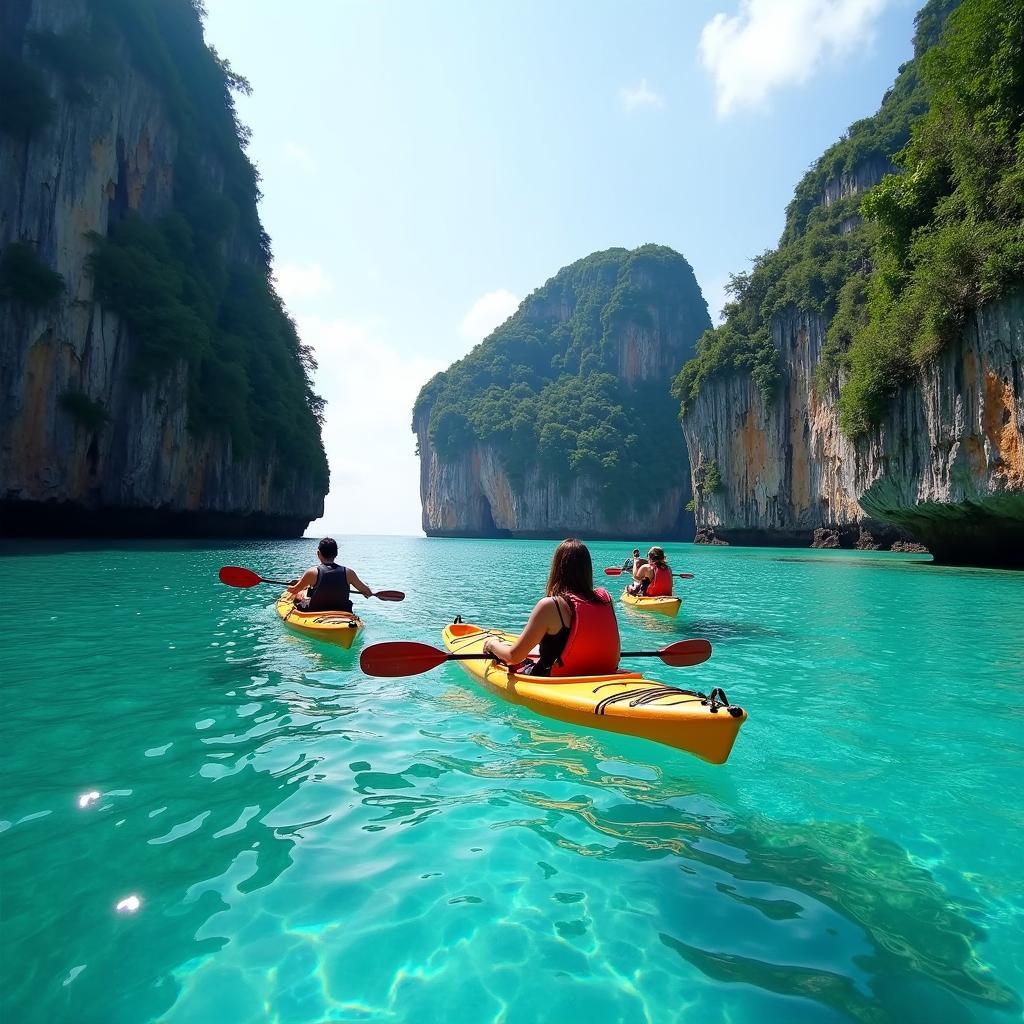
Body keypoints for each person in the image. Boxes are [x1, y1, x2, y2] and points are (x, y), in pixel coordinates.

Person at [482, 538, 620, 676]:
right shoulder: (605, 601)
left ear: (557, 568)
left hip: (555, 679)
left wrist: (492, 644)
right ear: (587, 569)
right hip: (602, 676)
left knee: (514, 659)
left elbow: (514, 656)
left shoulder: (550, 605)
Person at [287, 537, 373, 613]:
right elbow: (368, 593)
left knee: (301, 594)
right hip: (342, 612)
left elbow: (294, 590)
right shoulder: (349, 573)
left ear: (318, 553)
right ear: (336, 554)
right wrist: (366, 590)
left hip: (316, 612)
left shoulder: (312, 572)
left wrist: (292, 587)